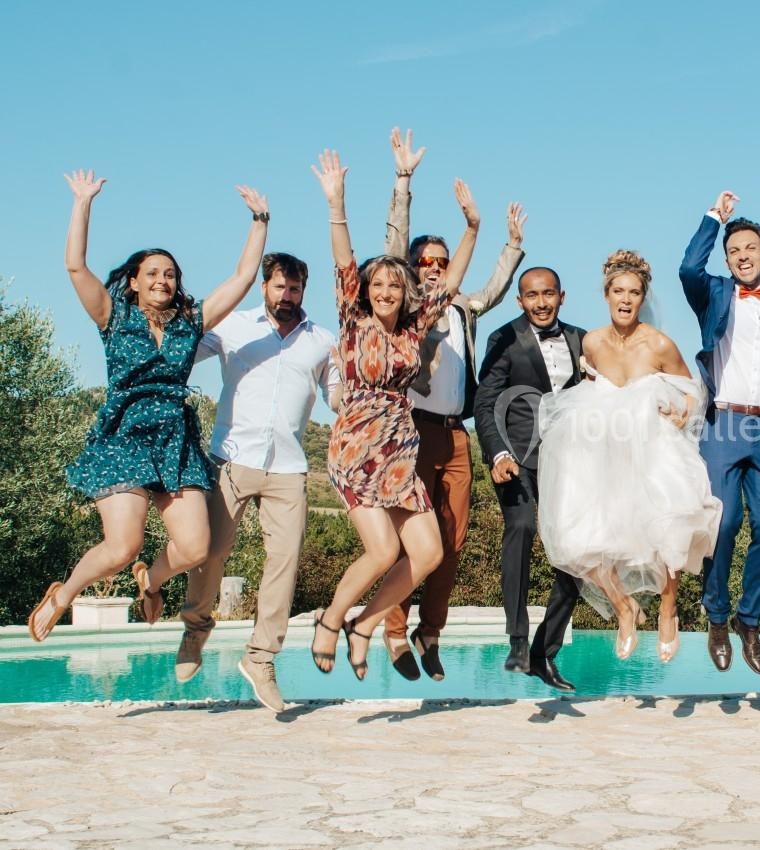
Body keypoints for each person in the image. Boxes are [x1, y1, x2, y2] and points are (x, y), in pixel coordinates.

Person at [28, 170, 269, 642]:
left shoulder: (189, 323)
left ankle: (151, 580)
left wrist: (260, 221)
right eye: (153, 273)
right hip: (125, 437)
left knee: (196, 548)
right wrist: (82, 202)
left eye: (170, 274)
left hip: (174, 440)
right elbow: (76, 267)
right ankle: (64, 593)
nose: (163, 279)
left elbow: (242, 278)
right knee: (122, 546)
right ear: (135, 282)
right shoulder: (113, 316)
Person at [377, 127, 528, 682]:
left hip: (454, 434)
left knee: (452, 538)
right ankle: (395, 630)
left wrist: (509, 244)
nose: (436, 266)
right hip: (409, 431)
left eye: (443, 260)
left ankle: (430, 631)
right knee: (408, 534)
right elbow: (393, 249)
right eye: (427, 259)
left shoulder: (462, 308)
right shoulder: (403, 307)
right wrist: (403, 182)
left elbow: (492, 289)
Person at [167, 252, 339, 713]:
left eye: (295, 288)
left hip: (289, 466)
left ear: (304, 291)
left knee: (284, 560)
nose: (287, 295)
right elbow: (180, 354)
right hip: (231, 458)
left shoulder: (322, 341)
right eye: (280, 287)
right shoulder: (232, 325)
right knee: (211, 550)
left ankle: (262, 657)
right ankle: (196, 628)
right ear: (264, 286)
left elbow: (337, 396)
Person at [306, 149, 455, 680]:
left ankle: (364, 624)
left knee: (428, 553)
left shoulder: (413, 332)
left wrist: (474, 229)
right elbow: (344, 260)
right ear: (366, 292)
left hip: (400, 454)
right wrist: (336, 204)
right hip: (357, 447)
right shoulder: (353, 321)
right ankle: (330, 619)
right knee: (383, 549)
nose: (387, 291)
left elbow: (451, 281)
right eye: (378, 285)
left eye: (395, 284)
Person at [537, 250, 721, 663]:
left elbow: (694, 391)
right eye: (618, 291)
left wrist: (683, 412)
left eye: (634, 292)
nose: (625, 299)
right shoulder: (592, 342)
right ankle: (624, 607)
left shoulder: (659, 344)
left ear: (643, 297)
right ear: (606, 295)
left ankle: (668, 609)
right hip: (602, 448)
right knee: (579, 537)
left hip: (652, 447)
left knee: (668, 527)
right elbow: (591, 388)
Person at [678, 191, 760, 675]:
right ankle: (717, 617)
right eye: (734, 251)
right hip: (724, 422)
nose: (743, 256)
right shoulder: (714, 294)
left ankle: (749, 620)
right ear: (727, 259)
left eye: (750, 248)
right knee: (723, 524)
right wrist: (715, 219)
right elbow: (688, 268)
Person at [474, 266, 586, 690]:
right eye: (532, 295)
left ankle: (544, 651)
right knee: (520, 527)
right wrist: (498, 452)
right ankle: (518, 640)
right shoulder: (504, 339)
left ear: (562, 296)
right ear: (520, 300)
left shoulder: (580, 339)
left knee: (577, 555)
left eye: (548, 294)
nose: (541, 302)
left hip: (568, 460)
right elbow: (485, 403)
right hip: (515, 457)